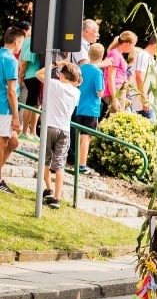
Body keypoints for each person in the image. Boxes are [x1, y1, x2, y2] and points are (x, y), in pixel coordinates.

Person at [35, 61, 81, 209]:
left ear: (61, 75)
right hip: (65, 130)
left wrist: (56, 63)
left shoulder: (55, 85)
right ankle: (57, 197)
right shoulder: (77, 92)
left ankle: (48, 189)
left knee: (46, 160)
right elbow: (77, 83)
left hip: (49, 127)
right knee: (59, 164)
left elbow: (39, 74)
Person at [0, 27, 25, 194]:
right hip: (4, 108)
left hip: (4, 107)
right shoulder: (10, 60)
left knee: (13, 142)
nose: (21, 46)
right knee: (2, 143)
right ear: (16, 41)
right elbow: (11, 91)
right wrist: (16, 116)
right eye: (21, 42)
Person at [75, 44, 105, 176]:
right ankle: (82, 165)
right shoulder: (98, 72)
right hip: (91, 108)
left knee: (78, 136)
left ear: (88, 54)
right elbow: (100, 92)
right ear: (101, 57)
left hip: (79, 106)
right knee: (86, 137)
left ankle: (76, 161)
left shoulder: (81, 68)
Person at [103, 31, 137, 115]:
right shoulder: (115, 54)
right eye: (133, 45)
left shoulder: (117, 54)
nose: (133, 48)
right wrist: (115, 98)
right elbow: (111, 77)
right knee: (117, 118)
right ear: (127, 44)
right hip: (117, 90)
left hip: (119, 90)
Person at [18, 24, 41, 142]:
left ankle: (33, 131)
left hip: (35, 75)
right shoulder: (30, 41)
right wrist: (21, 74)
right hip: (32, 75)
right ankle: (25, 131)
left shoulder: (30, 40)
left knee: (37, 104)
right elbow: (25, 60)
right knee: (30, 103)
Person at [132, 33, 157, 122]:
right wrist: (144, 100)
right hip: (144, 106)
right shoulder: (143, 56)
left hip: (150, 105)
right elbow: (139, 77)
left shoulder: (151, 58)